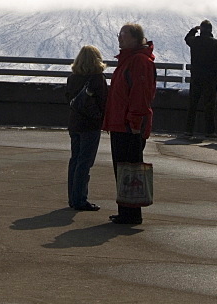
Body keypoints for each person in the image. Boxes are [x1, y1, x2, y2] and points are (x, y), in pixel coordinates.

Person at [102, 23, 156, 225]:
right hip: (121, 123)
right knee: (123, 168)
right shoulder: (129, 60)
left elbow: (140, 95)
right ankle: (126, 210)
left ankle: (131, 213)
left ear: (135, 38)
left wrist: (134, 121)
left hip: (128, 126)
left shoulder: (138, 62)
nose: (119, 39)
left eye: (123, 35)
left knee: (129, 168)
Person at [64, 45, 109, 212]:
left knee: (75, 160)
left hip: (75, 124)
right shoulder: (97, 79)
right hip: (91, 125)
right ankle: (80, 199)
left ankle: (73, 198)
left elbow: (68, 100)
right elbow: (104, 102)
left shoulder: (73, 78)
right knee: (85, 162)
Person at [184, 20, 217, 139]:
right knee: (210, 106)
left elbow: (187, 38)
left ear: (201, 30)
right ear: (211, 30)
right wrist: (216, 77)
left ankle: (189, 130)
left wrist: (194, 30)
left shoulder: (195, 41)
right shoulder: (215, 43)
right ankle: (210, 131)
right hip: (210, 79)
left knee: (193, 105)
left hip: (196, 77)